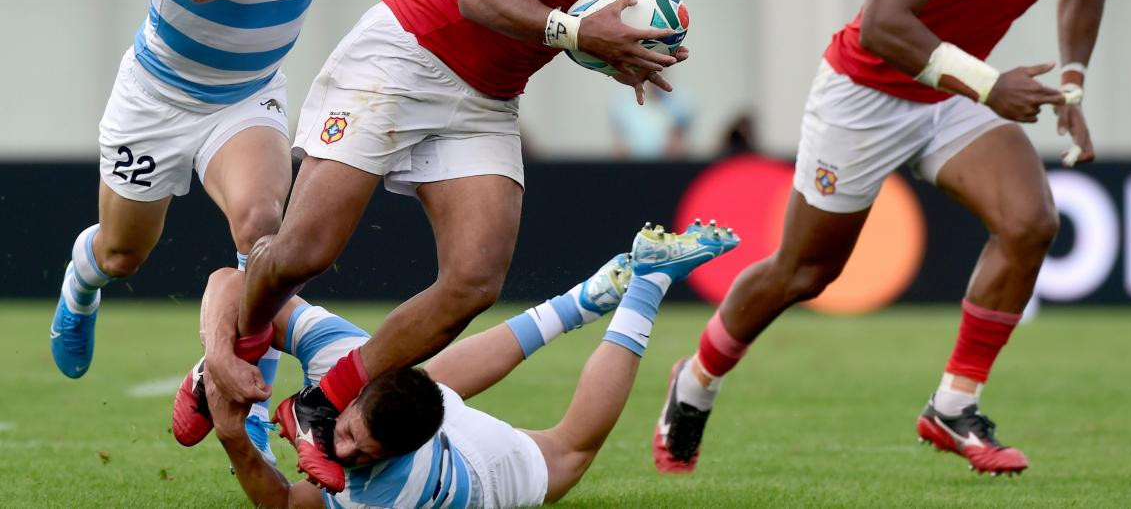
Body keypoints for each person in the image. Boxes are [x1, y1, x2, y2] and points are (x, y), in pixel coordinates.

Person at [184, 0, 765, 486]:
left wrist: (609, 52)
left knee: (474, 280)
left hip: (486, 93)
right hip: (404, 59)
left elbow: (554, 15)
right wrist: (581, 34)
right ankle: (227, 359)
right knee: (305, 253)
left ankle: (321, 402)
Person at [48, 0, 619, 452]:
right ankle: (83, 282)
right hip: (158, 100)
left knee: (264, 228)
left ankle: (242, 393)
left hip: (246, 95)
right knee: (123, 253)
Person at [652, 0, 1106, 477]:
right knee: (805, 272)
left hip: (953, 94)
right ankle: (694, 382)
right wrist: (989, 84)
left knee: (1031, 222)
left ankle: (953, 406)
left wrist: (1071, 81)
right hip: (866, 93)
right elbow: (883, 28)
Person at [185, 221, 739, 505]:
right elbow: (233, 284)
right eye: (350, 433)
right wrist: (222, 354)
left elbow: (282, 503)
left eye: (361, 451)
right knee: (426, 379)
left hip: (475, 473)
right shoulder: (348, 361)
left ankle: (649, 283)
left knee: (571, 449)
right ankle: (586, 299)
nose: (343, 450)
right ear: (358, 389)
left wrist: (238, 438)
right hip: (401, 398)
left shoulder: (378, 495)